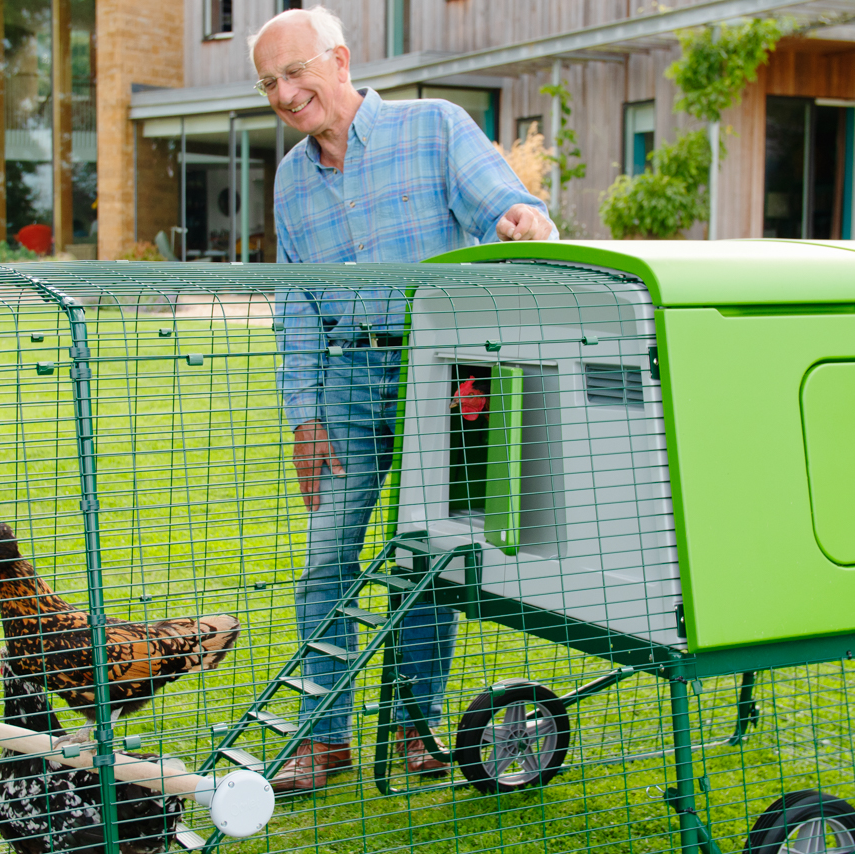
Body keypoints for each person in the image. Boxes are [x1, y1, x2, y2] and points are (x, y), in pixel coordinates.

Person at [251, 5, 556, 794]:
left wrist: (522, 218)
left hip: (443, 377)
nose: (286, 94)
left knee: (427, 561)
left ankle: (413, 726)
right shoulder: (290, 178)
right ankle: (325, 740)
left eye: (296, 72)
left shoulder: (434, 127)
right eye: (270, 83)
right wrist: (305, 416)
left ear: (340, 60)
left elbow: (505, 205)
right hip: (350, 380)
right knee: (328, 561)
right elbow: (298, 309)